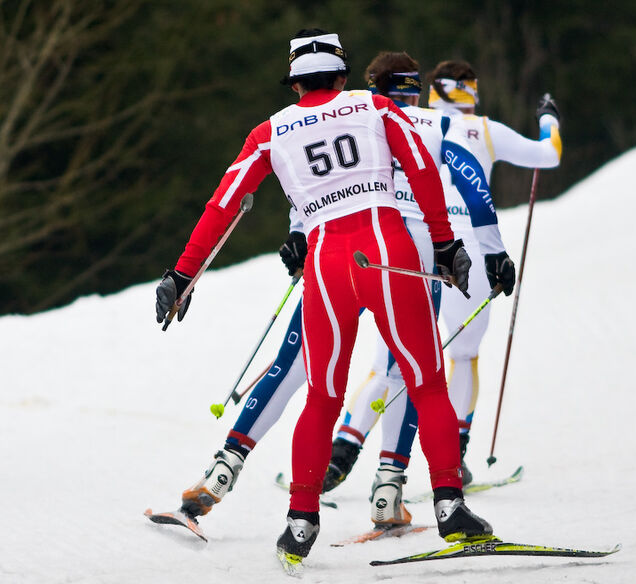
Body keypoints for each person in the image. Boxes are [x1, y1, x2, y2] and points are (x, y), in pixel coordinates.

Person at [154, 30, 492, 572]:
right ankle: (450, 506)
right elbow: (423, 170)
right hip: (387, 253)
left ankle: (300, 521)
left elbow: (224, 202)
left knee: (321, 396)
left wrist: (182, 275)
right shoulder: (375, 108)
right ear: (341, 76)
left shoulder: (271, 130)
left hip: (326, 265)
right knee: (426, 381)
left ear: (294, 85)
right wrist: (447, 244)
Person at [324, 59, 562, 489]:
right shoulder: (481, 129)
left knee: (390, 361)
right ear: (471, 91)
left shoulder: (398, 120)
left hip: (411, 240)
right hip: (468, 245)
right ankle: (456, 459)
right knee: (462, 355)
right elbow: (549, 155)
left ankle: (340, 454)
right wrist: (548, 118)